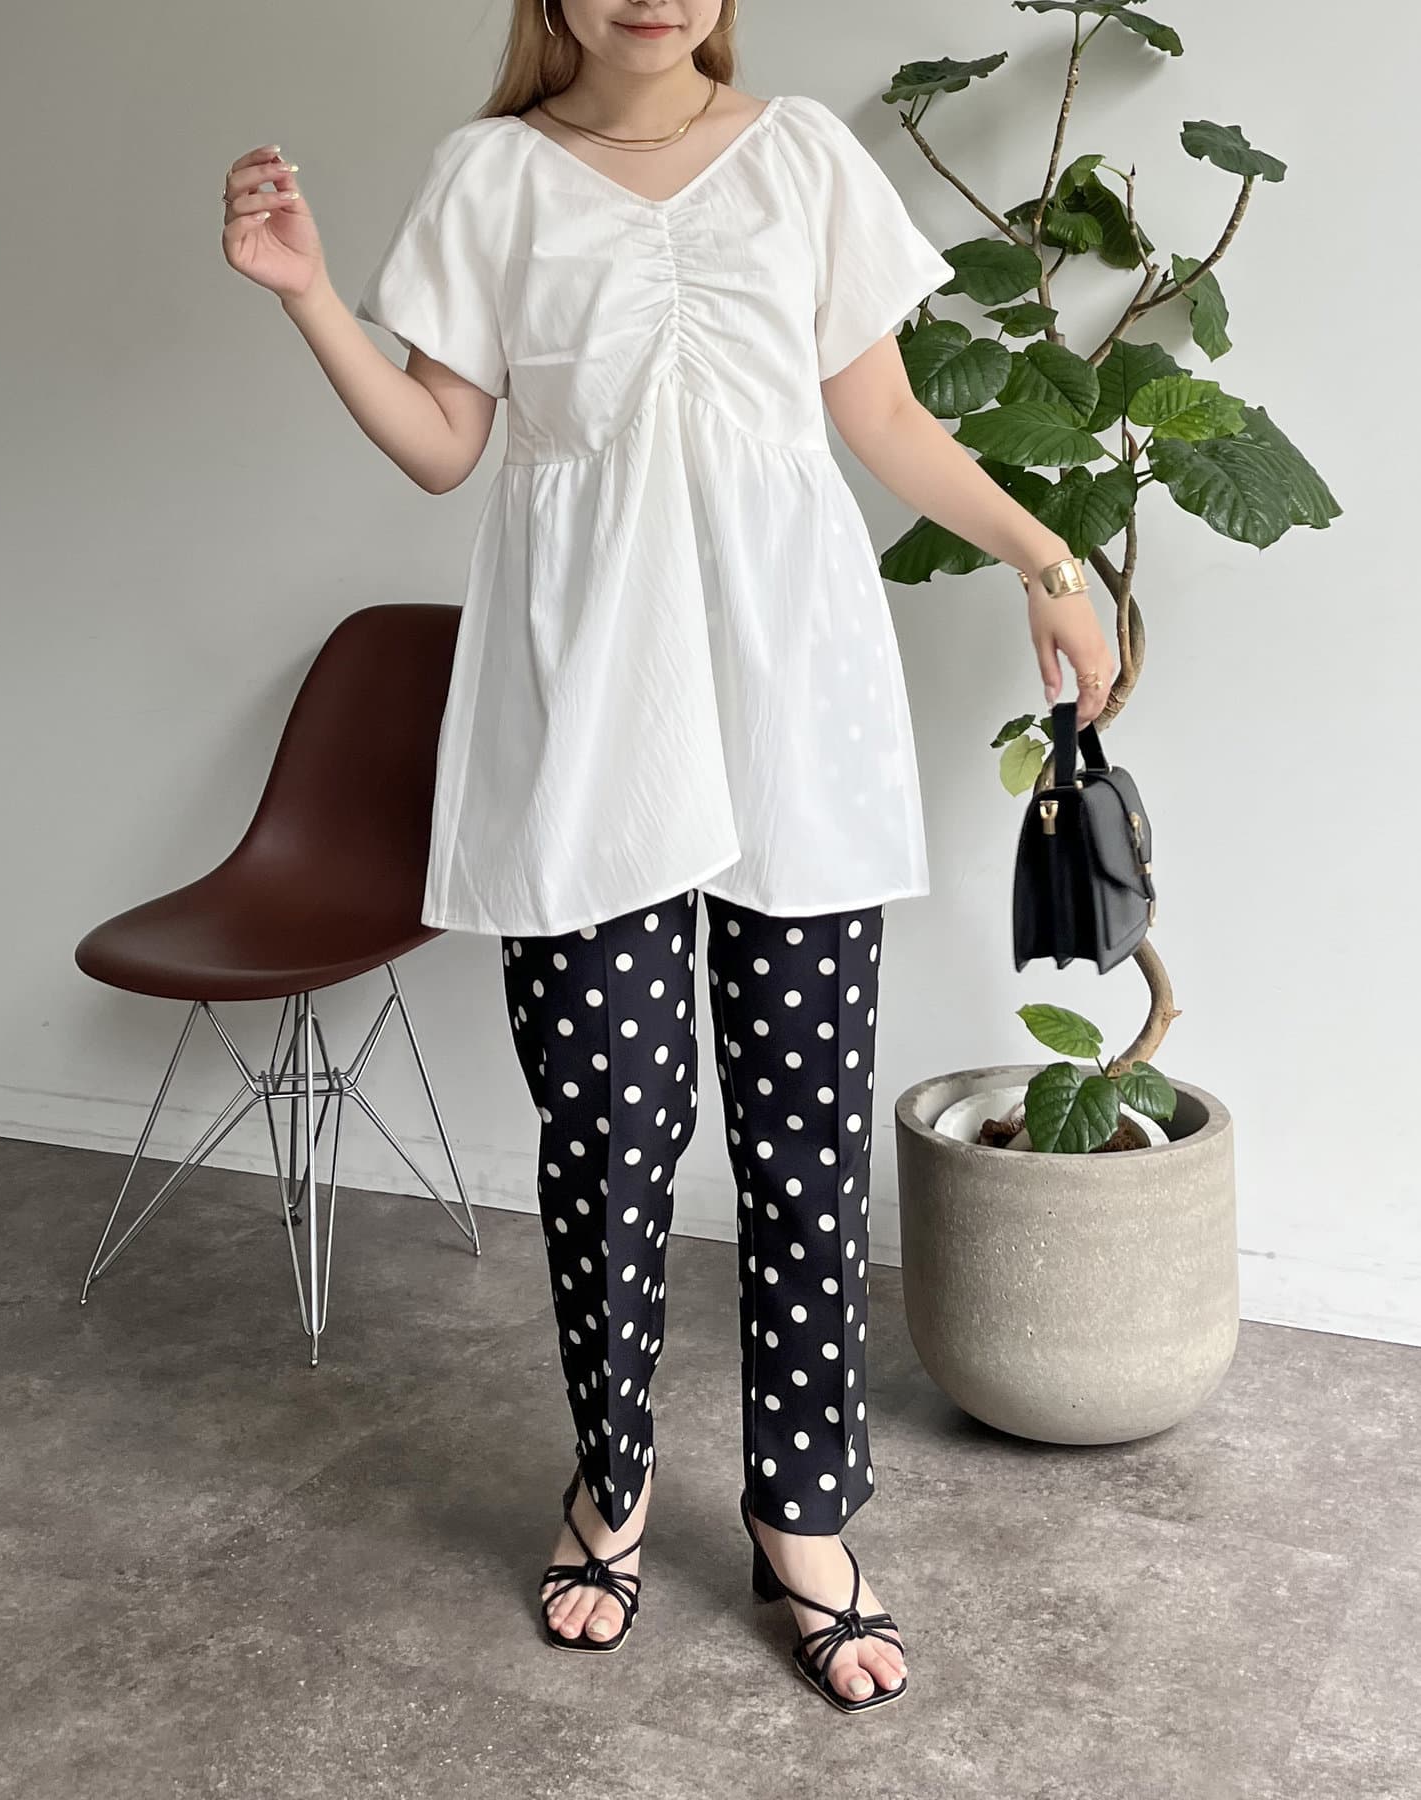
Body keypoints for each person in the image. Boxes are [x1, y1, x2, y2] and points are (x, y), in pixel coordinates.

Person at [221, 0, 1112, 1715]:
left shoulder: (804, 159)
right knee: (608, 1131)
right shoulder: (490, 175)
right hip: (585, 712)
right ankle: (611, 1483)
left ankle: (804, 1516)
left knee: (804, 1138)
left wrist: (1047, 558)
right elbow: (445, 447)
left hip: (792, 702)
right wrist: (312, 296)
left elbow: (884, 421)